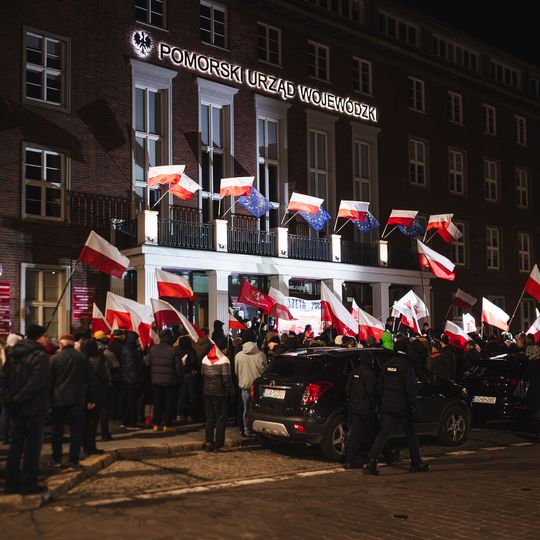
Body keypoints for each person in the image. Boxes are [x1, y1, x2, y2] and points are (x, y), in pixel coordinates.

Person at [0, 325, 50, 494]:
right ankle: (29, 483)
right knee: (32, 448)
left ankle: (11, 483)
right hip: (33, 408)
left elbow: (4, 379)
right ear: (38, 337)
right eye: (45, 336)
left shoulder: (13, 354)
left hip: (15, 408)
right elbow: (36, 384)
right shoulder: (40, 355)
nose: (47, 339)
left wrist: (10, 400)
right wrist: (18, 399)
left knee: (15, 447)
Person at [364, 350, 430, 475]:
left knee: (383, 434)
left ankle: (372, 462)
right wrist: (415, 404)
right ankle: (416, 463)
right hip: (402, 406)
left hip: (387, 406)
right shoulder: (406, 366)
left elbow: (379, 386)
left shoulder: (386, 365)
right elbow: (411, 388)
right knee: (411, 434)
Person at [50, 334, 97, 469]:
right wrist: (91, 398)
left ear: (61, 344)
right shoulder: (83, 358)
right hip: (77, 399)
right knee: (76, 431)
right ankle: (73, 460)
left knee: (57, 430)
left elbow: (49, 381)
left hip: (58, 399)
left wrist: (48, 400)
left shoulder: (55, 359)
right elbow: (91, 380)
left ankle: (56, 458)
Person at [146, 330, 182, 431]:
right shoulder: (174, 351)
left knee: (157, 403)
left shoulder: (153, 349)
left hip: (156, 381)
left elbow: (147, 363)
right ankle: (167, 424)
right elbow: (178, 368)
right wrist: (180, 380)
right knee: (169, 403)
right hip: (170, 381)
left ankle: (156, 424)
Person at [345, 357, 378, 468]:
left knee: (354, 433)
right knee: (373, 432)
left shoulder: (354, 372)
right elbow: (371, 391)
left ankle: (350, 459)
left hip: (354, 406)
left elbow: (347, 389)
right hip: (366, 407)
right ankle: (370, 456)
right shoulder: (369, 374)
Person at [201, 344, 234, 452]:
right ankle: (219, 444)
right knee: (220, 419)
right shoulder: (224, 360)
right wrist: (230, 392)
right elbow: (226, 379)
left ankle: (208, 442)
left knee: (209, 418)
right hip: (220, 393)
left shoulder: (205, 359)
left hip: (207, 392)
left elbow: (202, 374)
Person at [235, 330, 267, 437]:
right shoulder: (261, 355)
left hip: (244, 387)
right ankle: (258, 431)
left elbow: (236, 371)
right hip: (257, 388)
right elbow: (265, 371)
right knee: (258, 410)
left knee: (246, 409)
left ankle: (246, 430)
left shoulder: (238, 356)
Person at [80, 338, 109, 455]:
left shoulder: (80, 358)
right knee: (92, 421)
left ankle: (85, 445)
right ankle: (90, 446)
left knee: (84, 421)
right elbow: (102, 376)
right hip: (95, 392)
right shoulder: (98, 359)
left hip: (81, 393)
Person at [94, 330, 116, 440]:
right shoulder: (106, 352)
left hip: (90, 385)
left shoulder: (87, 350)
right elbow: (115, 364)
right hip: (103, 383)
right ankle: (104, 433)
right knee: (104, 409)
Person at [120, 331, 143, 429]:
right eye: (137, 339)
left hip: (129, 379)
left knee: (131, 402)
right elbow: (131, 367)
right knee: (132, 402)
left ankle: (126, 421)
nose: (138, 341)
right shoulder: (130, 350)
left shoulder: (130, 349)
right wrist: (135, 380)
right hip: (131, 380)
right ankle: (131, 422)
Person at [176, 335, 199, 422]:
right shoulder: (191, 351)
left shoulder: (177, 351)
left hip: (180, 376)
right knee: (191, 396)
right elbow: (194, 362)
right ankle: (190, 415)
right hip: (189, 375)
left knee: (181, 396)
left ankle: (179, 414)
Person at [108, 329, 125, 421]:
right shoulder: (122, 347)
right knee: (120, 396)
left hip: (111, 374)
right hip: (120, 374)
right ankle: (119, 414)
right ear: (121, 336)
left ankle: (112, 414)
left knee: (113, 395)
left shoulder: (109, 346)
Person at [524, 352, 540, 440]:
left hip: (535, 391)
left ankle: (538, 433)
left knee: (535, 412)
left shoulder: (534, 363)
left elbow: (525, 376)